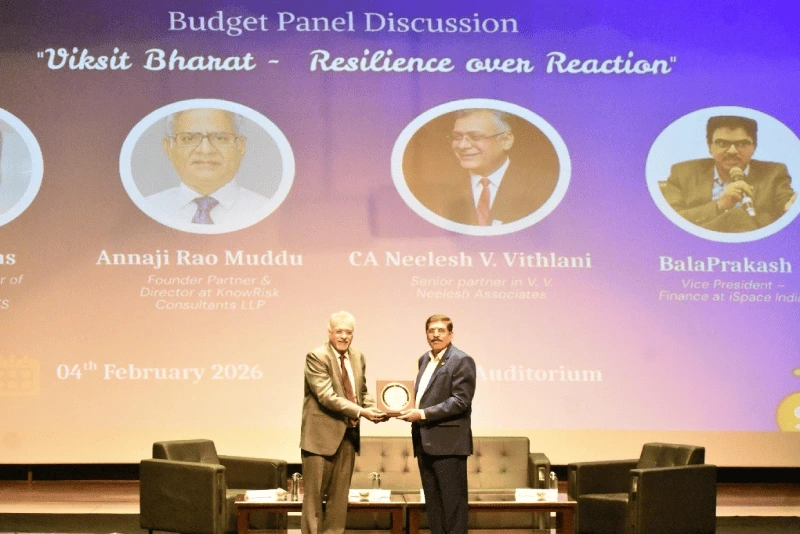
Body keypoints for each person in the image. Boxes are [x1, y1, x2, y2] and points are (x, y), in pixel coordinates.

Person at [300, 311, 387, 534]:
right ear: (330, 332)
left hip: (348, 436)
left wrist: (373, 408)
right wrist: (361, 412)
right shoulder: (317, 356)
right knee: (314, 502)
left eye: (348, 332)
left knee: (339, 502)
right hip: (320, 439)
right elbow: (327, 396)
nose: (344, 336)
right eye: (339, 331)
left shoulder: (357, 356)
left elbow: (361, 392)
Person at [398, 314, 477, 534]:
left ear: (450, 334)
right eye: (431, 330)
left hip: (449, 446)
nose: (435, 335)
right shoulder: (424, 359)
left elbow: (461, 401)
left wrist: (422, 414)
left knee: (453, 508)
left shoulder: (461, 360)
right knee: (434, 507)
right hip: (425, 443)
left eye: (441, 330)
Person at [662, 115, 797, 232]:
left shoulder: (774, 173)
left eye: (742, 144)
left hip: (755, 248)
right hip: (700, 247)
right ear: (710, 147)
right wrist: (720, 204)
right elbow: (670, 218)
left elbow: (785, 203)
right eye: (722, 143)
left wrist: (790, 208)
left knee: (738, 216)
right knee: (735, 216)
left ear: (754, 147)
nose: (732, 151)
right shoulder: (682, 172)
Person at [428, 108, 558, 226]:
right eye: (457, 137)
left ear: (505, 141)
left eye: (475, 137)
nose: (462, 146)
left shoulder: (544, 187)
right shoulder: (438, 190)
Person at [146, 108, 268, 228]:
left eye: (220, 138)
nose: (206, 150)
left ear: (241, 146)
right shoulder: (148, 209)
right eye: (189, 138)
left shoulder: (265, 210)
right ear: (168, 148)